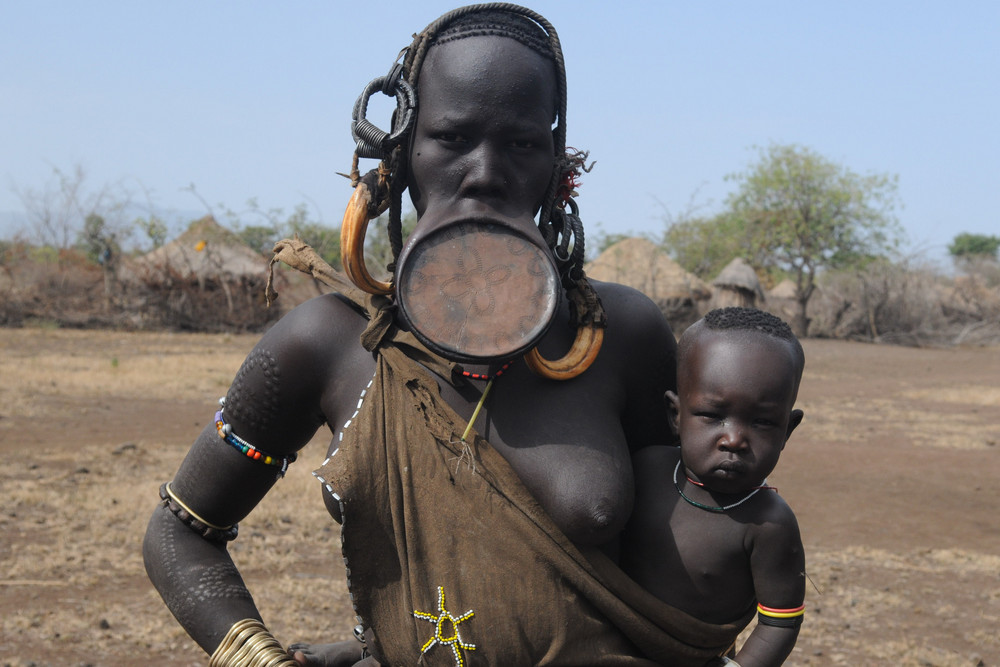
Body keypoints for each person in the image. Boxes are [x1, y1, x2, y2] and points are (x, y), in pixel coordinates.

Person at [143, 5, 745, 666]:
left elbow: (678, 560)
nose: (485, 171)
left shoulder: (619, 337)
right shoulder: (328, 342)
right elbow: (180, 531)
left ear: (554, 163)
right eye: (453, 139)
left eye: (520, 143)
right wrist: (265, 657)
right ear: (399, 156)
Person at [620, 307, 807, 667]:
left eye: (763, 422)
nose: (734, 439)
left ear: (788, 430)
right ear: (676, 415)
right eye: (711, 415)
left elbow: (780, 623)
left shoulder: (770, 524)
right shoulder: (645, 468)